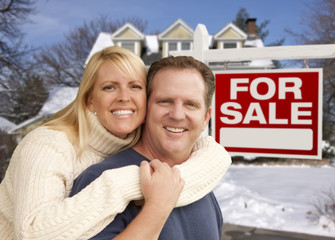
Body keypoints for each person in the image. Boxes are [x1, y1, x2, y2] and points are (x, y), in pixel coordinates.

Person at [0, 47, 231, 240]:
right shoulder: (52, 148)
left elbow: (212, 154)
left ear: (206, 118)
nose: (124, 97)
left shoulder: (198, 180)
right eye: (165, 101)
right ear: (90, 100)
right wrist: (137, 188)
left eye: (135, 86)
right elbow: (30, 233)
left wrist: (218, 156)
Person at [71, 56, 225, 240]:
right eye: (165, 101)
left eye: (190, 104)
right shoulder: (100, 179)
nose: (177, 115)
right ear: (145, 108)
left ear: (205, 118)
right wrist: (156, 207)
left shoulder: (201, 183)